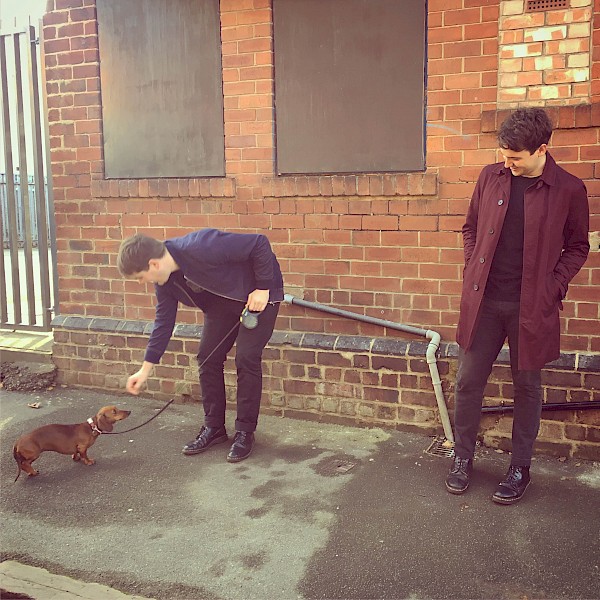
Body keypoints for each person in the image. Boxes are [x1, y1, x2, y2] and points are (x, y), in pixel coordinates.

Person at [446, 107, 590, 504]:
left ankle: (519, 468)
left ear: (541, 149)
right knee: (468, 381)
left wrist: (553, 286)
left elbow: (578, 246)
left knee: (527, 387)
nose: (507, 164)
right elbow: (470, 227)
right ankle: (462, 458)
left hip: (530, 308)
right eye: (504, 155)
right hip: (484, 302)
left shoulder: (568, 189)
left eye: (515, 158)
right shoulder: (490, 176)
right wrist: (472, 267)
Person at [117, 228, 284, 463]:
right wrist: (145, 370)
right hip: (221, 306)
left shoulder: (201, 245)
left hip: (259, 297)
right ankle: (214, 428)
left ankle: (245, 432)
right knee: (207, 358)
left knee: (246, 357)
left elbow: (259, 243)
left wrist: (263, 288)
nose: (142, 282)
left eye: (140, 277)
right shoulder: (165, 282)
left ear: (153, 264)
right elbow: (163, 323)